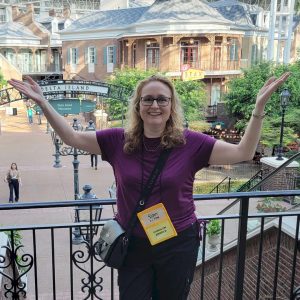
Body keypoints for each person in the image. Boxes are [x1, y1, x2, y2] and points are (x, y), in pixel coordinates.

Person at [8, 72, 290, 299]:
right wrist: (43, 103)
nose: (155, 105)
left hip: (178, 242)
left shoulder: (191, 143)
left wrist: (258, 109)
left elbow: (242, 152)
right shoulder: (117, 140)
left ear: (171, 106)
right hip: (134, 243)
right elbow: (71, 137)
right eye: (148, 99)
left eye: (162, 99)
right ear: (138, 106)